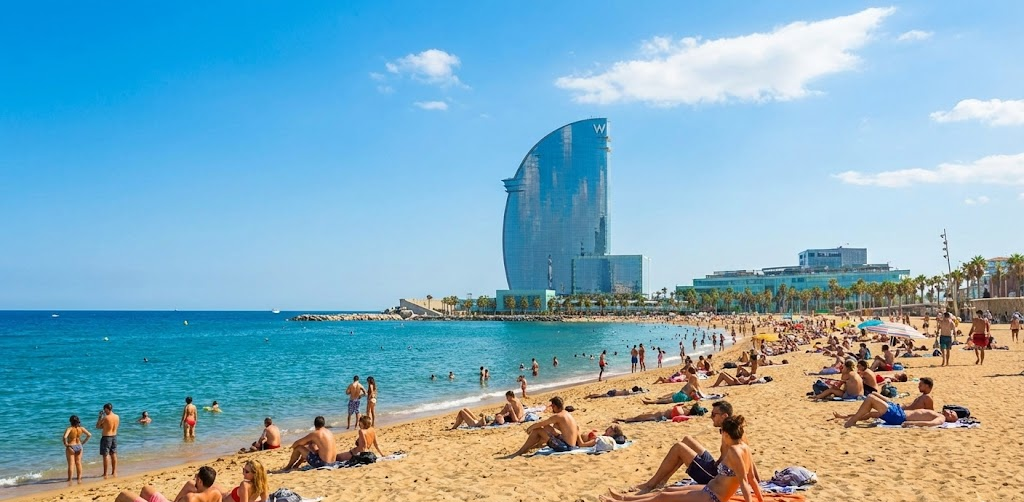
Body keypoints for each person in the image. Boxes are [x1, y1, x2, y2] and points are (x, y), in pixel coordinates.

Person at [602, 415, 762, 502]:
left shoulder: (734, 451)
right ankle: (625, 498)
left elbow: (744, 482)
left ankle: (621, 501)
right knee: (667, 491)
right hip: (710, 489)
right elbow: (753, 479)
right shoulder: (744, 447)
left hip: (713, 497)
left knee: (662, 497)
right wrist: (760, 500)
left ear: (726, 434)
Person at [623, 401, 747, 493]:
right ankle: (662, 481)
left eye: (714, 415)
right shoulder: (729, 429)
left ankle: (650, 485)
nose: (711, 417)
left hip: (715, 476)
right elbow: (726, 456)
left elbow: (742, 458)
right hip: (716, 466)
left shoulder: (732, 435)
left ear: (724, 416)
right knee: (687, 440)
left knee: (679, 448)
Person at [506, 396, 579, 457]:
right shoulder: (566, 413)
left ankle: (520, 451)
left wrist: (530, 428)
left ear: (555, 406)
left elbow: (541, 423)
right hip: (570, 444)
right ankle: (534, 445)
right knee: (547, 427)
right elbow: (545, 425)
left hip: (566, 447)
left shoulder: (558, 416)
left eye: (552, 406)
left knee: (537, 430)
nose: (552, 408)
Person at [833, 393, 958, 428]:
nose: (950, 412)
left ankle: (852, 421)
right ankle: (848, 417)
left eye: (952, 415)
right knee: (873, 399)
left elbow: (931, 424)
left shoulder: (941, 418)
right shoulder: (937, 412)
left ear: (951, 420)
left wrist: (912, 423)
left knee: (870, 399)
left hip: (899, 416)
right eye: (952, 411)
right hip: (898, 411)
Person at [115, 466, 220, 502]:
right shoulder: (216, 494)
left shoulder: (190, 498)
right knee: (146, 489)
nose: (195, 477)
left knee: (124, 495)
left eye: (197, 477)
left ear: (200, 481)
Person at [63, 415, 91, 482]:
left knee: (71, 464)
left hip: (71, 446)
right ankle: (79, 478)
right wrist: (83, 442)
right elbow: (89, 435)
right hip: (79, 446)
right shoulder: (81, 428)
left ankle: (70, 479)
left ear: (71, 421)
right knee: (78, 463)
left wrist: (66, 444)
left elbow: (65, 437)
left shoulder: (69, 429)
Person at [96, 403, 119, 478]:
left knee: (105, 455)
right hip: (114, 436)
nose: (104, 411)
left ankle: (105, 473)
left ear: (106, 409)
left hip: (106, 437)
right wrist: (104, 426)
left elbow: (97, 426)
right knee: (113, 454)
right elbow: (107, 426)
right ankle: (114, 471)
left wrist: (100, 417)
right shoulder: (117, 416)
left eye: (104, 409)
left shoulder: (106, 418)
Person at [613, 404, 695, 423]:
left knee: (639, 418)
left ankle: (622, 420)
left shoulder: (681, 412)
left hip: (659, 416)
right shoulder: (683, 411)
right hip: (659, 415)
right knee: (640, 417)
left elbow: (675, 418)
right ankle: (622, 420)